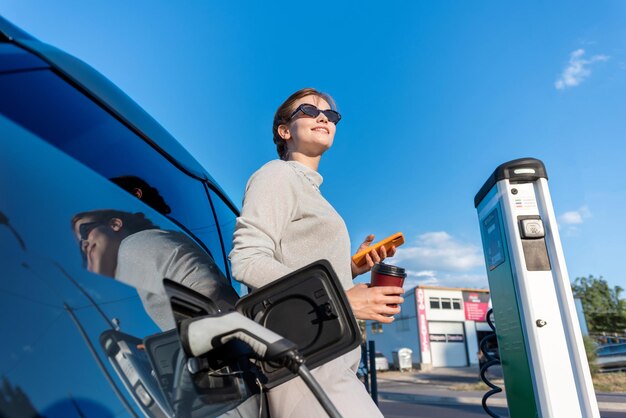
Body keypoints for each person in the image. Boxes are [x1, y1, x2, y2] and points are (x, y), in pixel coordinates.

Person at [229, 88, 405, 418]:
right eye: (308, 110)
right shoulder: (277, 175)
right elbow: (247, 259)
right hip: (305, 365)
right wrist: (342, 297)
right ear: (284, 131)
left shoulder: (312, 192)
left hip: (330, 362)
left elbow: (298, 265)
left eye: (331, 115)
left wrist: (350, 268)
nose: (323, 117)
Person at [71, 209, 239, 329]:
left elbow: (204, 286)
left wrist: (177, 347)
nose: (84, 244)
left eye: (85, 231)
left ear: (115, 224)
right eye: (79, 245)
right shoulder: (138, 256)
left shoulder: (132, 246)